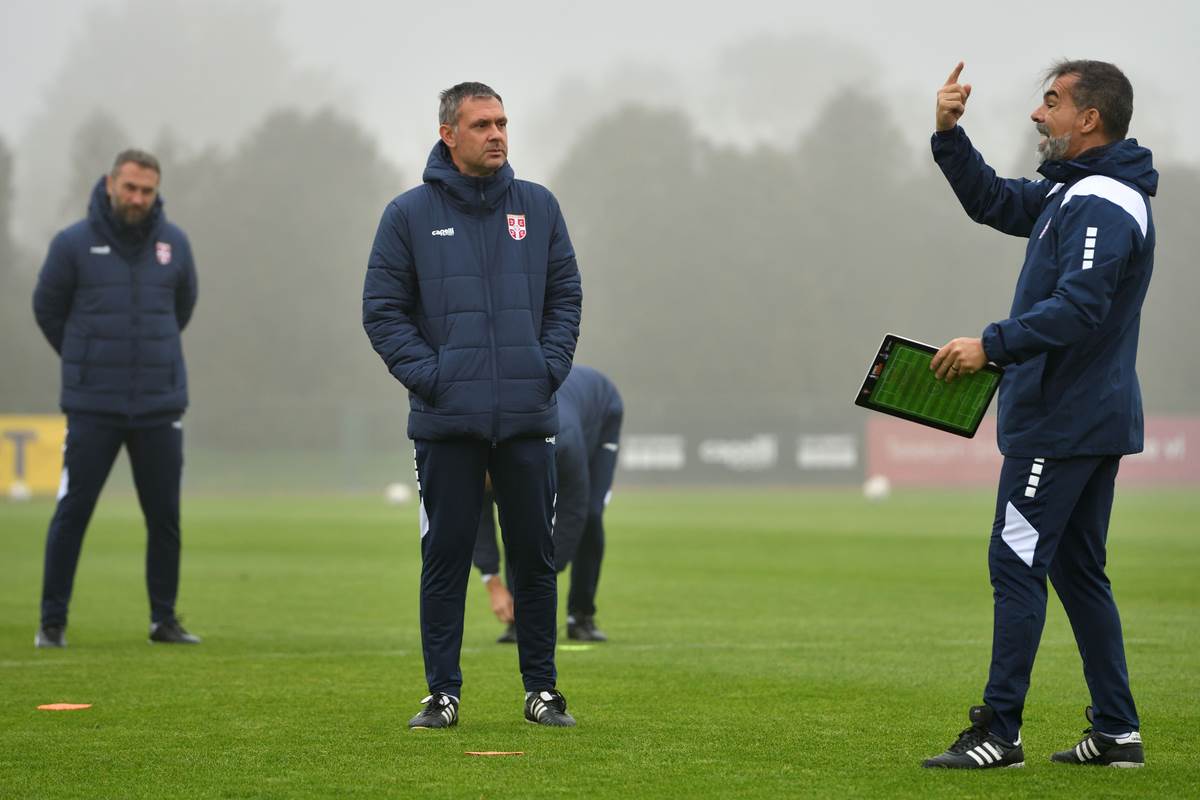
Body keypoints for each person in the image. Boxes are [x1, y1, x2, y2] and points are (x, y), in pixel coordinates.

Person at [922, 61, 1154, 769]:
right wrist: (949, 135)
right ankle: (1117, 732)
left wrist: (990, 345)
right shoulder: (1073, 194)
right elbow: (994, 200)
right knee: (1079, 571)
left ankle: (1000, 731)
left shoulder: (1103, 200)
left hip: (1065, 422)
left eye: (1051, 102)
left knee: (1015, 560)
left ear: (1089, 118)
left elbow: (1082, 307)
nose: (1036, 114)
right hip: (1080, 418)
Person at [362, 82, 582, 729]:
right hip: (445, 423)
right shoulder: (406, 216)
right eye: (482, 123)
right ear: (448, 135)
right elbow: (382, 312)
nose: (497, 134)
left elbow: (566, 297)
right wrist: (434, 379)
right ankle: (443, 694)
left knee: (534, 559)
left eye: (503, 122)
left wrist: (544, 370)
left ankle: (541, 691)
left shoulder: (538, 208)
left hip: (525, 419)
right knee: (446, 560)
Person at [32, 149, 200, 648]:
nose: (138, 198)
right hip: (93, 406)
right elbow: (47, 309)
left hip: (158, 404)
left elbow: (182, 308)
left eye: (147, 191)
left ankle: (163, 620)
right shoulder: (72, 244)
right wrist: (85, 359)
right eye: (130, 188)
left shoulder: (175, 244)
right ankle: (52, 622)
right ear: (110, 184)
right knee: (73, 510)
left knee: (164, 516)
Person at [474, 365, 623, 644]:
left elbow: (573, 509)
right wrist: (492, 583)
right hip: (538, 434)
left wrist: (538, 582)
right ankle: (520, 621)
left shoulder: (561, 439)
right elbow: (475, 520)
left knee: (591, 514)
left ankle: (580, 615)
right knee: (518, 519)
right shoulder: (475, 450)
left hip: (599, 413)